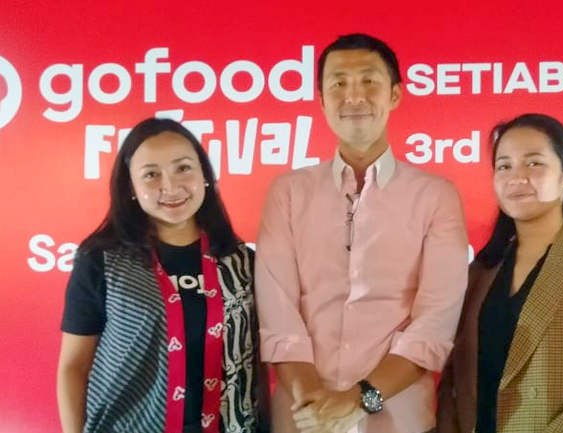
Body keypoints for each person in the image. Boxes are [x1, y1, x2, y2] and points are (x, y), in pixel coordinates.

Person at [255, 33, 468, 433]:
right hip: (302, 416)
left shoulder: (435, 195)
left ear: (395, 94)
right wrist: (317, 407)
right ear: (322, 100)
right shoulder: (288, 192)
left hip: (398, 420)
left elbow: (434, 323)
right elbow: (278, 315)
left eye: (369, 80)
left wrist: (358, 400)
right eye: (338, 83)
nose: (354, 96)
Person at [437, 113, 563, 433]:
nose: (516, 177)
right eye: (504, 166)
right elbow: (455, 378)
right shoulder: (480, 271)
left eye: (534, 163)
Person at [57, 118, 269, 433]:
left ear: (205, 175)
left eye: (183, 168)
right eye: (151, 174)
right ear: (131, 187)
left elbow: (257, 364)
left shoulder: (240, 262)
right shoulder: (101, 260)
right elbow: (74, 367)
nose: (170, 187)